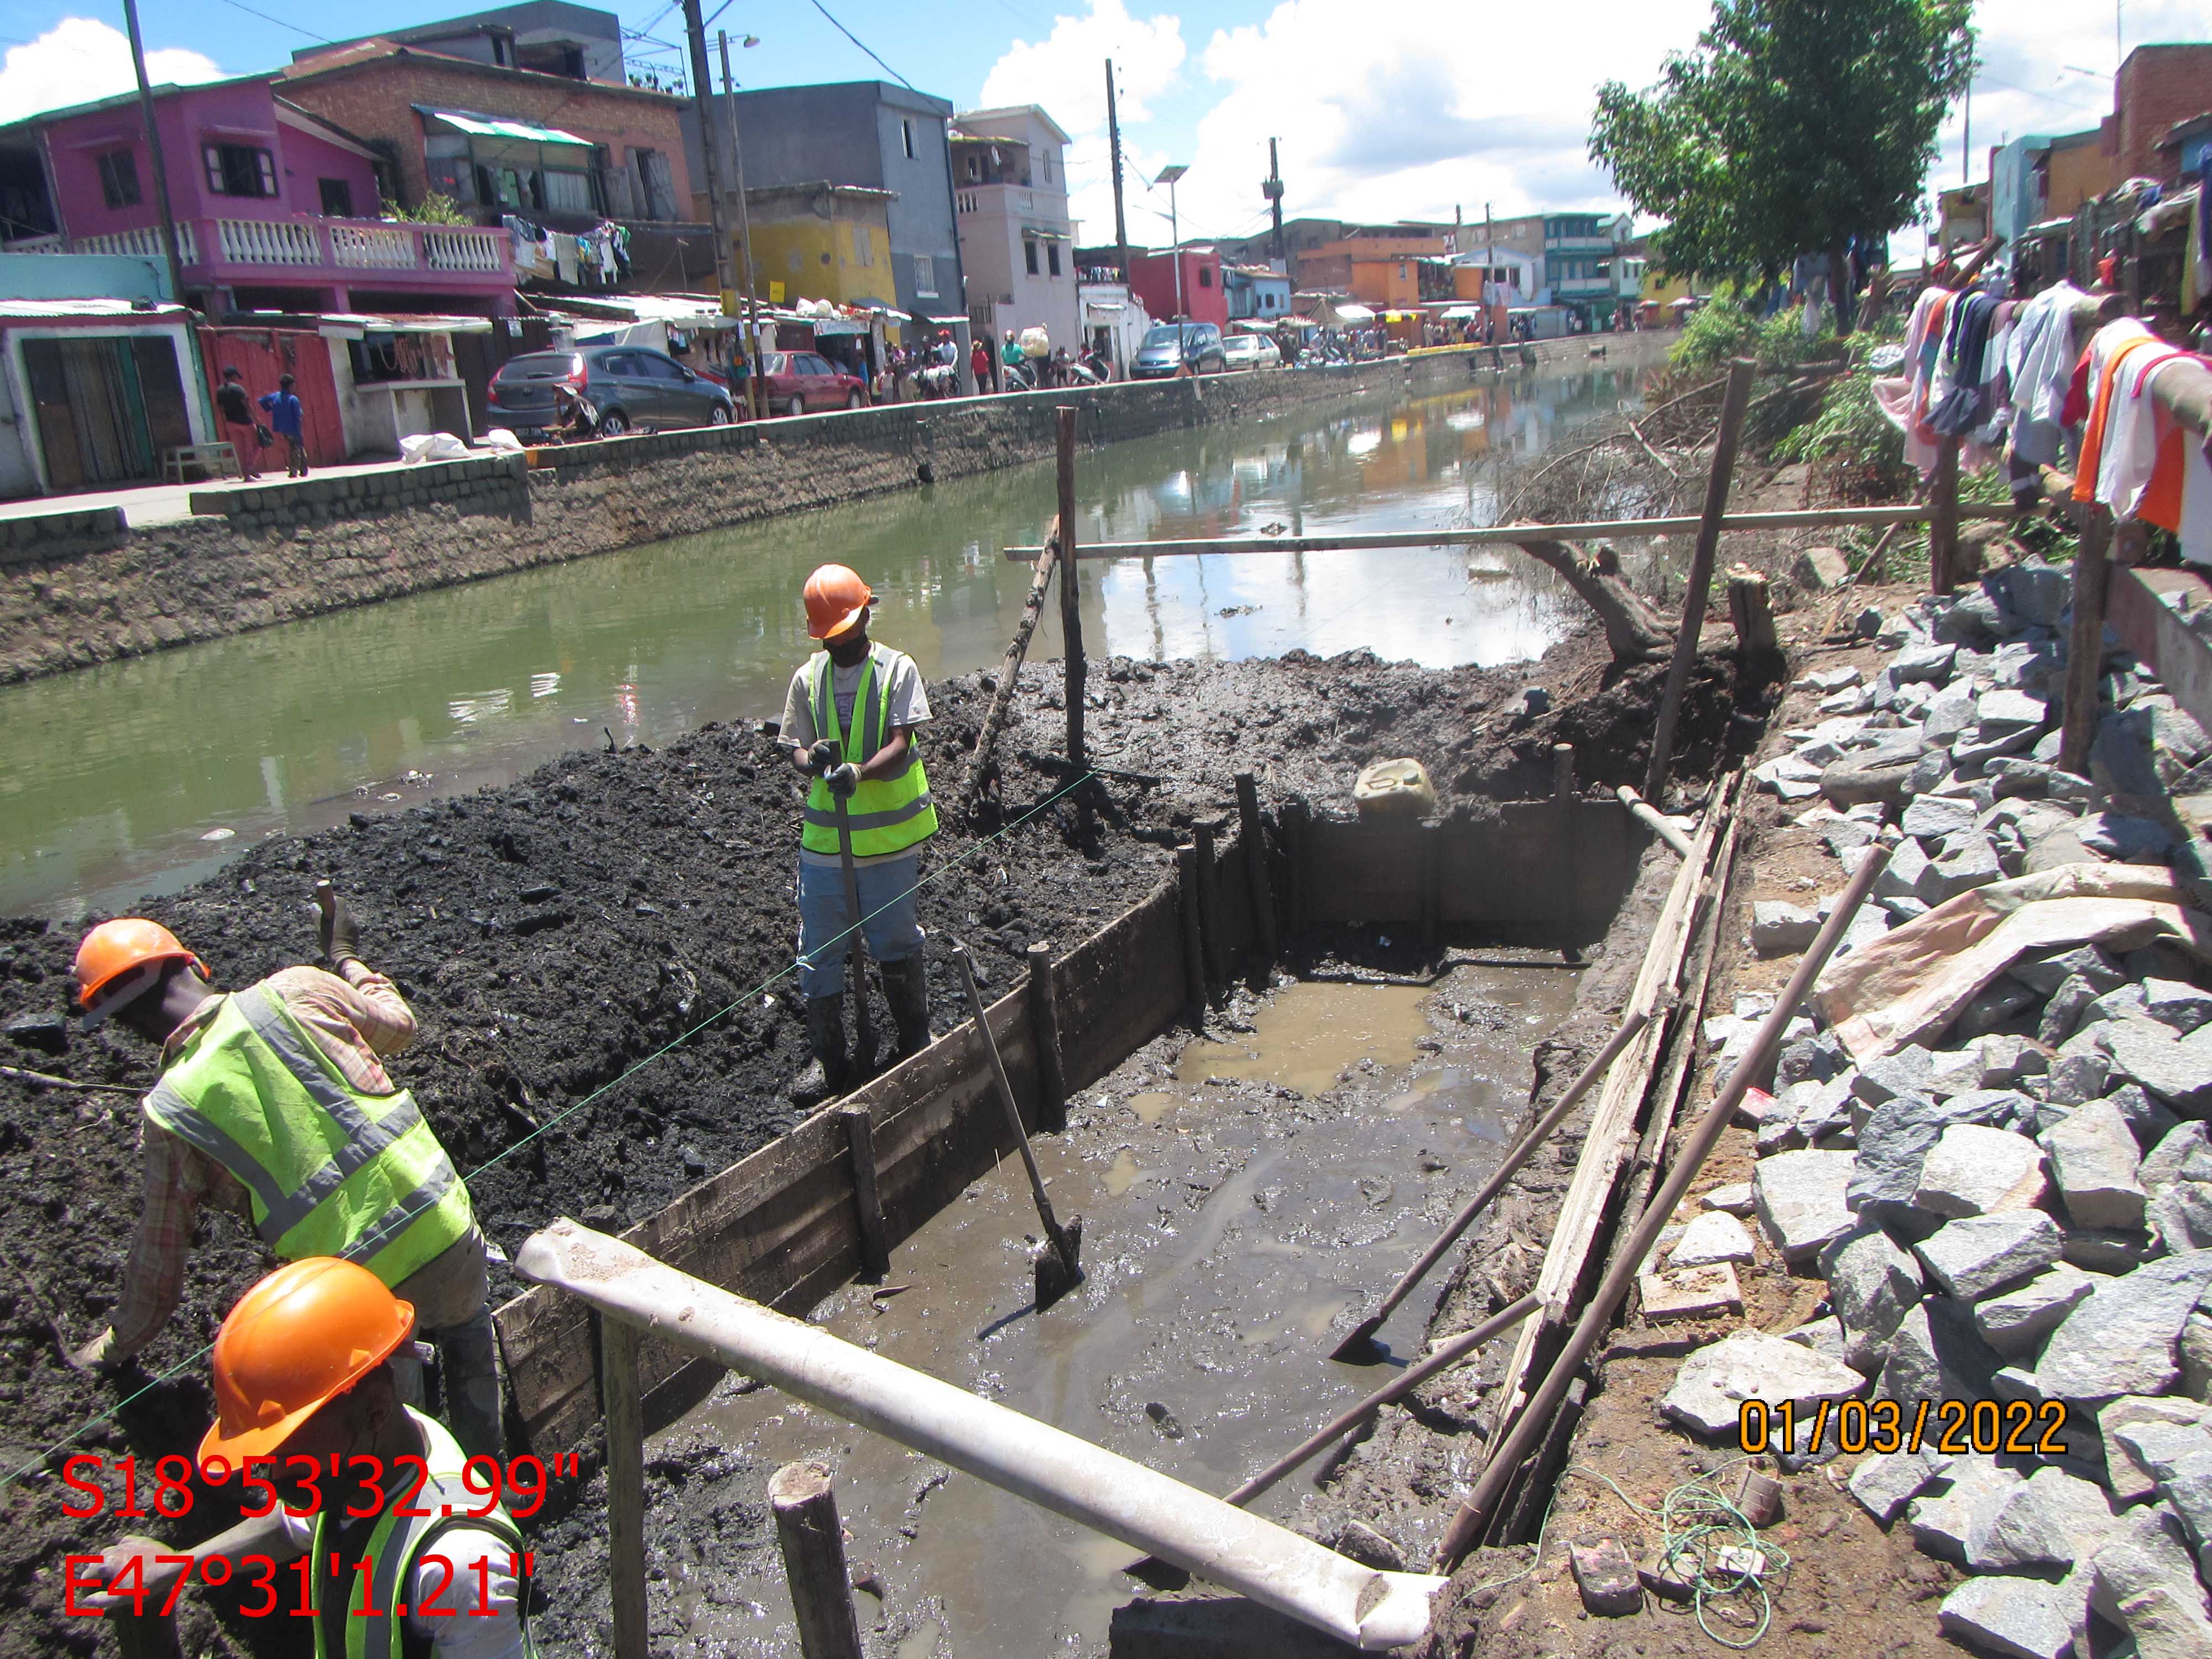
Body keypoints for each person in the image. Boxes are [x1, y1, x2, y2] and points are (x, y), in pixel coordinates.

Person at [69, 890, 504, 1459]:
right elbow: (399, 1026)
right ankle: (492, 1481)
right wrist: (346, 955)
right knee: (467, 1330)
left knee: (395, 1430)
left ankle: (420, 1510)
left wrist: (111, 1347)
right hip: (445, 1226)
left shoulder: (171, 1112)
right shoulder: (298, 989)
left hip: (353, 1292)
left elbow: (160, 1268)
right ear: (190, 962)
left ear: (123, 1021)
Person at [78, 1258, 536, 1656]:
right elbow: (289, 1527)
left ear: (374, 1410)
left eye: (287, 1452)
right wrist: (182, 1565)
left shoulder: (459, 1567)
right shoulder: (374, 1457)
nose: (271, 1476)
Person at [779, 564, 937, 1102]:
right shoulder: (808, 679)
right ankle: (830, 1063)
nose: (840, 644)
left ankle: (914, 1041)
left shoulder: (897, 671)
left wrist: (859, 772)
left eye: (847, 632)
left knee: (894, 942)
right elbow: (795, 748)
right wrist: (812, 760)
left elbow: (901, 744)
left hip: (888, 844)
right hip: (825, 847)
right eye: (831, 636)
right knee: (819, 951)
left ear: (867, 614)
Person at [213, 366, 263, 480]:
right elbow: (247, 405)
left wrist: (222, 422)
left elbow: (219, 408)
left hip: (231, 423)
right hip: (245, 421)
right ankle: (249, 467)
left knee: (240, 450)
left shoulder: (220, 390)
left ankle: (246, 475)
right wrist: (257, 420)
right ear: (234, 376)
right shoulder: (239, 389)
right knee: (258, 443)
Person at [258, 372, 309, 478]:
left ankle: (304, 469)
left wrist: (270, 410)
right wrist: (298, 430)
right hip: (294, 428)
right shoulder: (293, 399)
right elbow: (297, 416)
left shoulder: (275, 396)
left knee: (297, 447)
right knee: (296, 448)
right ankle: (294, 470)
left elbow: (262, 401)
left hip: (282, 428)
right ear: (291, 386)